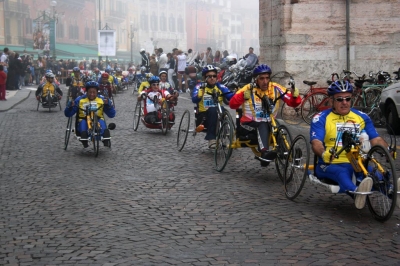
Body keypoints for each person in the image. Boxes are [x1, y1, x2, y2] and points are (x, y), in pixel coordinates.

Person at [310, 80, 393, 209]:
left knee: (375, 174)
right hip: (330, 164)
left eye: (348, 99)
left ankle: (392, 192)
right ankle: (357, 194)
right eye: (339, 99)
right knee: (341, 173)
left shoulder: (362, 117)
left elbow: (375, 139)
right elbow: (316, 142)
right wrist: (324, 154)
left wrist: (387, 150)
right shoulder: (321, 118)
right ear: (331, 101)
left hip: (357, 163)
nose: (344, 102)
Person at [229, 64, 301, 166]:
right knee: (262, 124)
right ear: (255, 80)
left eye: (267, 78)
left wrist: (295, 96)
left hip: (269, 122)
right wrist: (243, 98)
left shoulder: (275, 87)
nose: (265, 81)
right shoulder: (248, 88)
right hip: (248, 124)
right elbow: (232, 104)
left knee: (278, 127)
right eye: (262, 78)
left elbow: (291, 102)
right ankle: (264, 153)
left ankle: (287, 153)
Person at [192, 65, 234, 149]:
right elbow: (194, 98)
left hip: (219, 112)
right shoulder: (199, 86)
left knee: (224, 110)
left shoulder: (220, 86)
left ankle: (229, 133)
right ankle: (211, 138)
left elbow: (230, 95)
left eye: (214, 76)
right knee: (212, 109)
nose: (212, 78)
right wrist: (199, 96)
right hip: (203, 116)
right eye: (209, 76)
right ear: (204, 78)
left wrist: (237, 94)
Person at [64, 81, 116, 148]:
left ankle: (105, 138)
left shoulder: (102, 99)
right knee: (83, 125)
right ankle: (84, 140)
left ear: (97, 92)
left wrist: (109, 105)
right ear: (86, 92)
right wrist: (69, 107)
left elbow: (112, 114)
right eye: (90, 92)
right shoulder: (79, 100)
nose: (92, 94)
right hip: (83, 119)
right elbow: (68, 114)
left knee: (103, 127)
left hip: (98, 118)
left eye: (94, 92)